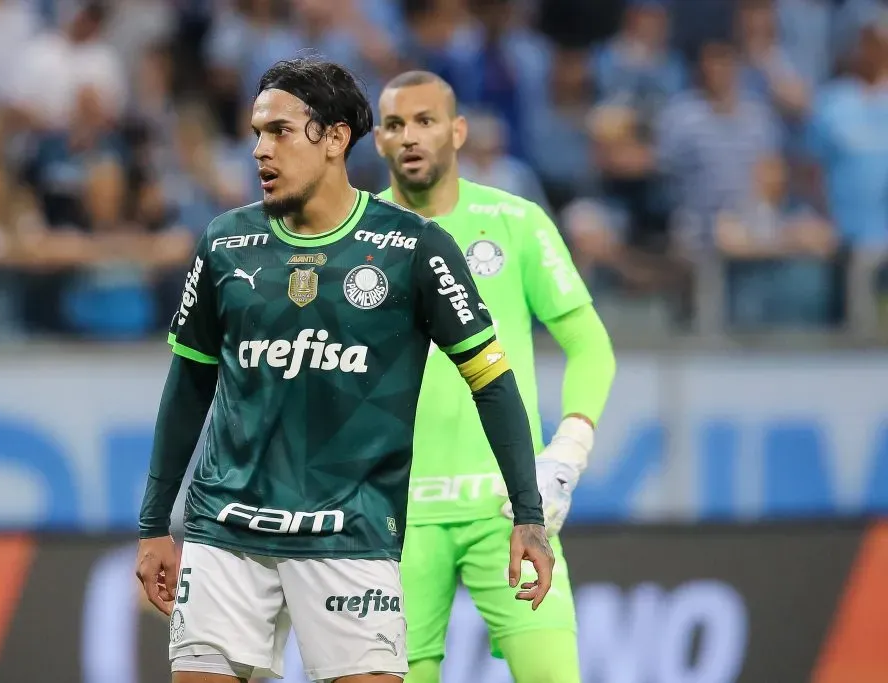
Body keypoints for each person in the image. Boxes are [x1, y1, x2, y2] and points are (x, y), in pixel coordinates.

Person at [134, 57, 555, 683]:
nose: (259, 151)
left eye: (279, 131)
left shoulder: (414, 247)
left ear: (334, 139)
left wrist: (528, 514)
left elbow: (490, 380)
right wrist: (153, 523)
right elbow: (189, 383)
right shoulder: (226, 243)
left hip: (350, 534)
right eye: (256, 133)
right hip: (226, 532)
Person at [374, 71, 617, 683]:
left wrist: (566, 453)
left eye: (426, 121)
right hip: (392, 518)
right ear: (378, 140)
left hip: (508, 508)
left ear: (457, 131)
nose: (411, 137)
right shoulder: (354, 238)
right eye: (396, 124)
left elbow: (590, 345)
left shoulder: (516, 221)